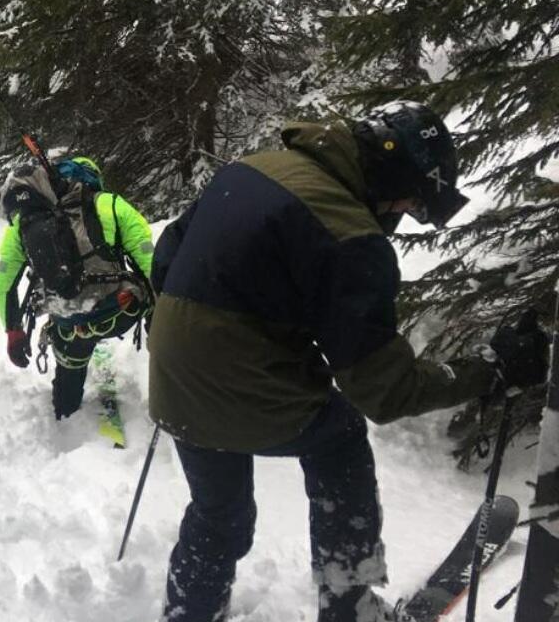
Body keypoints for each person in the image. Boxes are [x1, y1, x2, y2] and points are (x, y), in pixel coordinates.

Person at [146, 101, 551, 622]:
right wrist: (490, 368)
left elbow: (167, 258)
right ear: (394, 174)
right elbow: (385, 391)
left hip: (173, 376)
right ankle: (349, 606)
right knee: (340, 439)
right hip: (236, 383)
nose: (401, 216)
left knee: (219, 513)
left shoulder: (255, 167)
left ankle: (188, 611)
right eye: (408, 203)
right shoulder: (349, 234)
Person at [0, 156, 155, 419]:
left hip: (69, 323)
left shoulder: (26, 222)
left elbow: (3, 283)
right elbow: (150, 264)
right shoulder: (110, 205)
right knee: (144, 293)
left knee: (71, 354)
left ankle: (67, 418)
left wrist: (13, 331)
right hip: (119, 311)